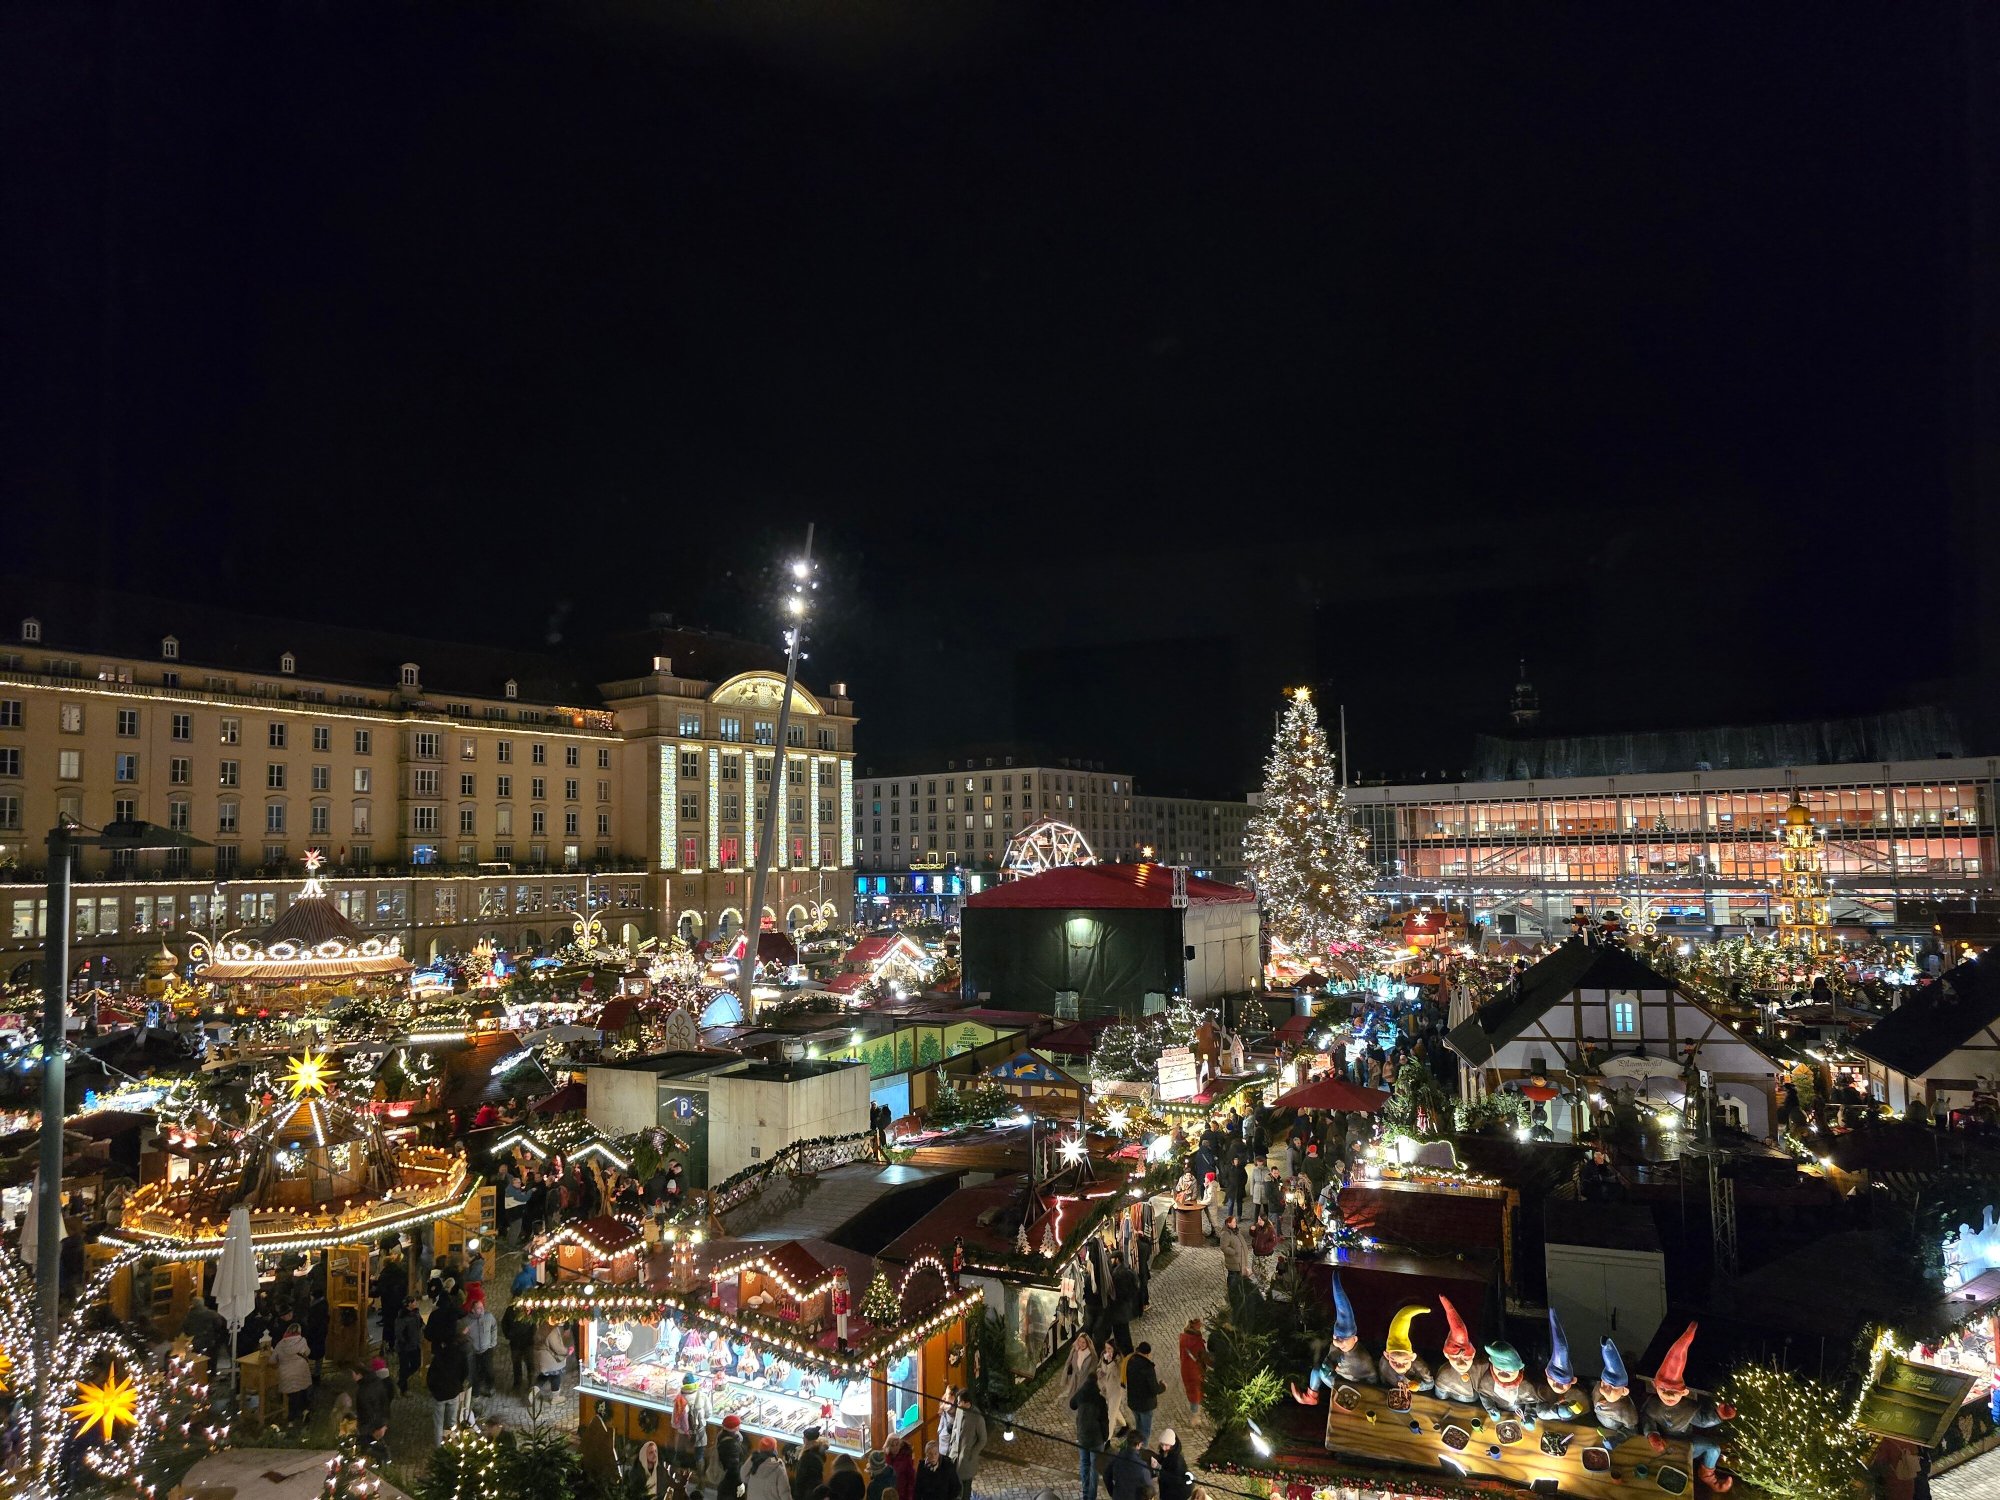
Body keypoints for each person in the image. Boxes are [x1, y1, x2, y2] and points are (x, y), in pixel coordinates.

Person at [1638, 1324, 1735, 1492]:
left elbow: (1703, 1421)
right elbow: (1647, 1419)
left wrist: (1718, 1416)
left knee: (1713, 1448)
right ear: (1655, 1386)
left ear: (1684, 1392)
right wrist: (1652, 1434)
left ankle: (1707, 1476)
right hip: (1662, 1441)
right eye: (1663, 1389)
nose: (1668, 1395)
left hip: (1685, 1441)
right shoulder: (1652, 1404)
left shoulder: (1688, 1408)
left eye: (1674, 1391)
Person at [426, 1326, 470, 1444]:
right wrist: (459, 1385)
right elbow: (465, 1372)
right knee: (452, 1422)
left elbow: (430, 1376)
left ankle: (438, 1448)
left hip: (439, 1395)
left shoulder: (439, 1356)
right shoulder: (461, 1355)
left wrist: (433, 1390)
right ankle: (452, 1445)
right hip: (453, 1392)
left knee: (438, 1424)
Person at [943, 1387, 986, 1500]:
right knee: (953, 1485)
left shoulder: (978, 1418)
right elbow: (955, 1427)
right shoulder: (959, 1410)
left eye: (959, 1402)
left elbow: (982, 1440)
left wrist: (972, 1454)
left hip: (967, 1459)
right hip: (954, 1455)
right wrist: (952, 1444)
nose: (957, 1404)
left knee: (965, 1489)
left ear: (967, 1402)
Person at [1071, 1376, 1109, 1500]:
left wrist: (1080, 1391)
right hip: (1096, 1439)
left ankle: (1085, 1494)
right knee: (1094, 1468)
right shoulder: (1100, 1400)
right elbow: (1104, 1421)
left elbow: (1072, 1404)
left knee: (1084, 1464)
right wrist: (1105, 1437)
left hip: (1083, 1436)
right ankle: (1091, 1497)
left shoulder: (1081, 1395)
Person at [354, 1356, 394, 1462]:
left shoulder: (365, 1389)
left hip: (371, 1428)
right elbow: (384, 1405)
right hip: (377, 1425)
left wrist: (375, 1428)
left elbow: (369, 1410)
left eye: (353, 1373)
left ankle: (382, 1460)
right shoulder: (376, 1382)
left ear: (359, 1374)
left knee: (370, 1451)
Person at [274, 1321, 314, 1426]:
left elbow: (272, 1360)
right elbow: (308, 1352)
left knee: (292, 1395)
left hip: (286, 1374)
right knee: (303, 1390)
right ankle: (305, 1410)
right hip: (301, 1372)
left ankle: (291, 1419)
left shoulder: (281, 1343)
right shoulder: (302, 1341)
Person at [462, 1287, 498, 1401]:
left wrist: (493, 1342)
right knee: (474, 1373)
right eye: (479, 1308)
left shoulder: (488, 1317)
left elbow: (494, 1327)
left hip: (487, 1349)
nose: (482, 1309)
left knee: (489, 1370)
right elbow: (462, 1336)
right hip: (474, 1351)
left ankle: (490, 1387)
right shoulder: (466, 1321)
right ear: (472, 1310)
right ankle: (476, 1392)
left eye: (482, 1307)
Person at [1125, 1342, 1162, 1442]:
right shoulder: (1148, 1367)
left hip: (1133, 1402)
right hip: (1145, 1405)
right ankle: (1143, 1448)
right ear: (1147, 1354)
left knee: (1139, 1427)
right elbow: (1154, 1389)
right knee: (1145, 1431)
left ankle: (1137, 1445)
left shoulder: (1130, 1361)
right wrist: (1163, 1387)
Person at [1105, 1431, 1153, 1500]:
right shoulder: (1142, 1466)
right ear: (1138, 1445)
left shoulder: (1118, 1458)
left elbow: (1106, 1475)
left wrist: (1112, 1492)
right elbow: (1149, 1490)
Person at [502, 1297, 536, 1391]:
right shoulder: (510, 1310)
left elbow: (534, 1324)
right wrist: (509, 1335)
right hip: (515, 1343)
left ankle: (531, 1384)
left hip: (528, 1342)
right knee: (516, 1364)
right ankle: (517, 1383)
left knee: (530, 1363)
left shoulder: (529, 1309)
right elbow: (504, 1324)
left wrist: (531, 1335)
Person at [1178, 1319, 1208, 1424]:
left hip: (1185, 1368)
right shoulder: (1197, 1342)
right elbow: (1203, 1356)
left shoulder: (1183, 1338)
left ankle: (1195, 1413)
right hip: (1196, 1369)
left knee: (1191, 1391)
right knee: (1196, 1392)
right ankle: (1195, 1416)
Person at [394, 1296, 425, 1396]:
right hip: (405, 1347)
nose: (416, 1303)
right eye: (414, 1302)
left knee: (416, 1364)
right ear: (409, 1304)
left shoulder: (416, 1313)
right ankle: (403, 1388)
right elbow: (398, 1332)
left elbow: (420, 1324)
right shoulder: (402, 1317)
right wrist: (405, 1341)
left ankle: (401, 1379)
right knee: (404, 1366)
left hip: (415, 1344)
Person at [1219, 1214, 1253, 1304]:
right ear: (1228, 1223)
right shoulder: (1226, 1234)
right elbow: (1223, 1247)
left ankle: (1239, 1296)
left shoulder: (1236, 1231)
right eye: (1233, 1222)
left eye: (1235, 1221)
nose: (1235, 1223)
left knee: (1240, 1279)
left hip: (1241, 1261)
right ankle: (1232, 1298)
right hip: (1233, 1262)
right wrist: (1234, 1252)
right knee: (1232, 1279)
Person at [536, 1319, 574, 1398]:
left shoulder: (541, 1328)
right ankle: (555, 1398)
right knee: (556, 1376)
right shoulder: (551, 1331)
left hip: (543, 1358)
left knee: (544, 1376)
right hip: (551, 1360)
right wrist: (568, 1351)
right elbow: (558, 1348)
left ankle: (533, 1391)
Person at [792, 1425, 829, 1500]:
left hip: (806, 1493)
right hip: (815, 1492)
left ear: (807, 1440)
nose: (803, 1438)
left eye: (804, 1437)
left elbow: (801, 1479)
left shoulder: (807, 1457)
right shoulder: (819, 1452)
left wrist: (797, 1496)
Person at [717, 1414, 749, 1500]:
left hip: (726, 1477)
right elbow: (734, 1467)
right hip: (731, 1480)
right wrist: (741, 1482)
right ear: (735, 1427)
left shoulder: (722, 1435)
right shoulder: (731, 1445)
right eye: (738, 1424)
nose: (740, 1426)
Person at [1155, 1429, 1193, 1500]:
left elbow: (1174, 1479)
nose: (1163, 1448)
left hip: (1176, 1493)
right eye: (1162, 1444)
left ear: (1172, 1444)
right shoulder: (1167, 1452)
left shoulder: (1177, 1460)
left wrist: (1159, 1468)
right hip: (1168, 1489)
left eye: (1166, 1445)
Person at [1249, 1208, 1279, 1293]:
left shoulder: (1270, 1229)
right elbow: (1254, 1235)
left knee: (1265, 1273)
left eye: (1260, 1220)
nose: (1258, 1221)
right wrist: (1252, 1230)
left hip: (1265, 1255)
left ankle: (1266, 1289)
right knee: (1255, 1269)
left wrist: (1264, 1247)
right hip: (1256, 1253)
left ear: (1264, 1220)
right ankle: (1261, 1284)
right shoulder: (1258, 1226)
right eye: (1258, 1219)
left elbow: (1274, 1242)